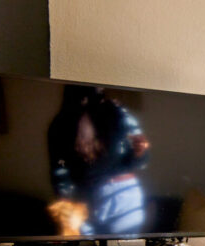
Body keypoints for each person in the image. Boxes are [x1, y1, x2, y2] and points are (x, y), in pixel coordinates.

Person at [47, 85, 150, 236]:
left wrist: (140, 152)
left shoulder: (117, 113)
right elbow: (59, 172)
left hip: (117, 196)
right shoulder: (61, 124)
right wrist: (65, 205)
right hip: (90, 199)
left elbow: (140, 161)